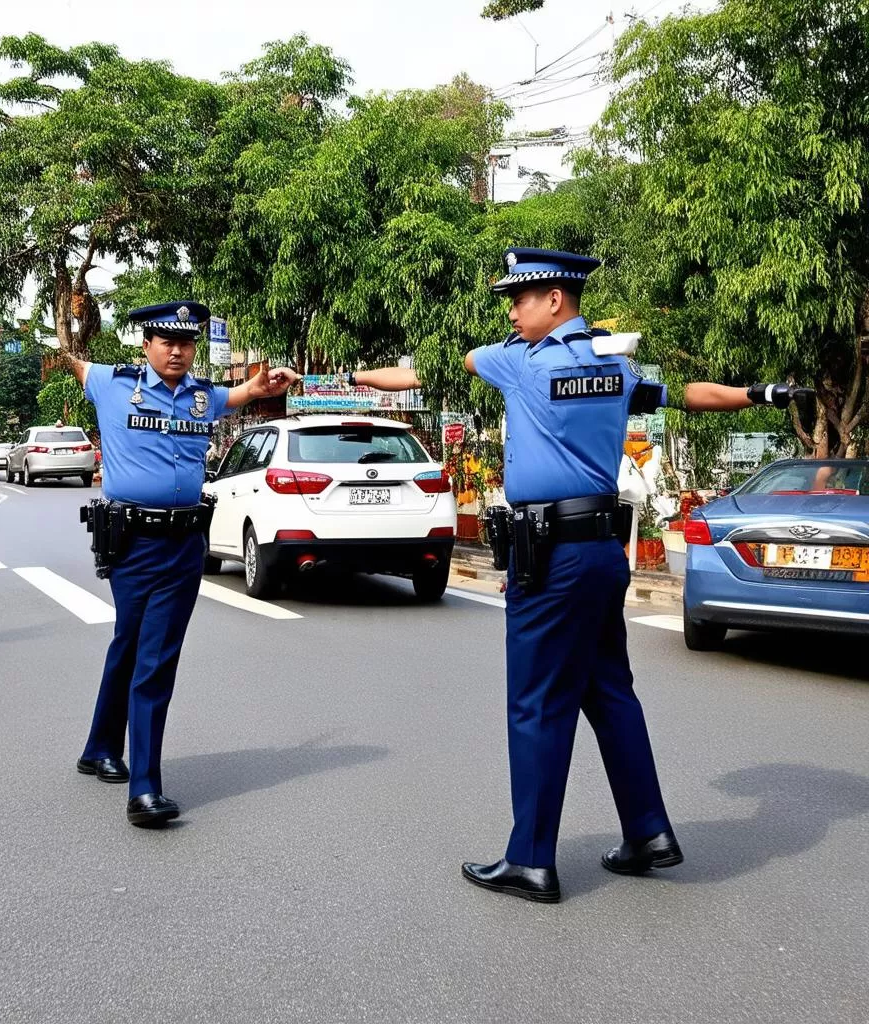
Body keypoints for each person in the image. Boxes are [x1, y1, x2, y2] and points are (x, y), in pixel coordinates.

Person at [348, 247, 812, 902]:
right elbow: (685, 399)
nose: (511, 310)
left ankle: (531, 860)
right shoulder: (614, 366)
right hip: (600, 554)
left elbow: (460, 362)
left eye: (519, 298)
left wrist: (367, 375)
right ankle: (649, 832)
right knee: (608, 689)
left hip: (549, 554)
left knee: (536, 702)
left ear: (555, 300)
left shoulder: (520, 360)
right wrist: (762, 394)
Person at [62, 301, 298, 828]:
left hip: (184, 543)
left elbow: (243, 394)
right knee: (136, 645)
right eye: (166, 341)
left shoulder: (202, 397)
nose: (177, 350)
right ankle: (140, 786)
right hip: (131, 542)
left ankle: (108, 754)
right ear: (145, 345)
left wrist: (261, 386)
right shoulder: (110, 382)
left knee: (152, 653)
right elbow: (69, 359)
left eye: (186, 342)